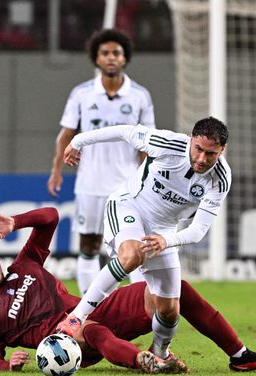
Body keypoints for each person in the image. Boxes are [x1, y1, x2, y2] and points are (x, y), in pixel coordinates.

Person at [0, 206, 256, 373]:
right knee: (93, 330)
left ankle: (240, 356)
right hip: (65, 338)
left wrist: (15, 223)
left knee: (175, 291)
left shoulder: (25, 265)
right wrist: (9, 365)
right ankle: (146, 361)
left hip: (93, 308)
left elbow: (51, 216)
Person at [57, 117, 232, 366]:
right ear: (191, 139)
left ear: (222, 150)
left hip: (164, 231)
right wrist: (78, 141)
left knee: (169, 309)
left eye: (210, 154)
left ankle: (161, 353)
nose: (202, 159)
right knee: (132, 255)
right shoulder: (166, 144)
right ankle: (76, 317)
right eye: (198, 149)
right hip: (129, 206)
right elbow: (124, 131)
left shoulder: (221, 179)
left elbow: (198, 231)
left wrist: (166, 240)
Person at [47, 29, 155, 295]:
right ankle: (92, 306)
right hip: (90, 184)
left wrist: (148, 178)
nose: (111, 57)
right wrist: (56, 169)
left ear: (125, 58)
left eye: (116, 53)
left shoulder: (139, 96)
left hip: (127, 186)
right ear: (96, 58)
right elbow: (66, 134)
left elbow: (148, 142)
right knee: (89, 246)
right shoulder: (82, 94)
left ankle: (137, 305)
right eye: (105, 53)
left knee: (132, 246)